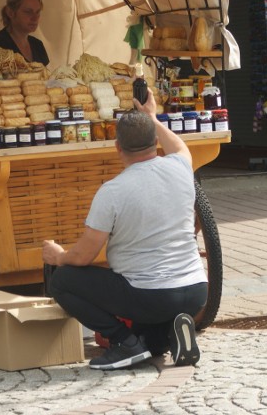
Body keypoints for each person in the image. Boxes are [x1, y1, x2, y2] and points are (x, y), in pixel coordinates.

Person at [42, 89, 206, 370]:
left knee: (63, 280)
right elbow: (178, 145)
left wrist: (58, 256)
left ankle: (123, 343)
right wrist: (152, 117)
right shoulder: (180, 166)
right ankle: (172, 332)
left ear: (117, 147)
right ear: (155, 142)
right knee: (150, 341)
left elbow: (83, 257)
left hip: (149, 295)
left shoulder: (113, 191)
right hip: (196, 290)